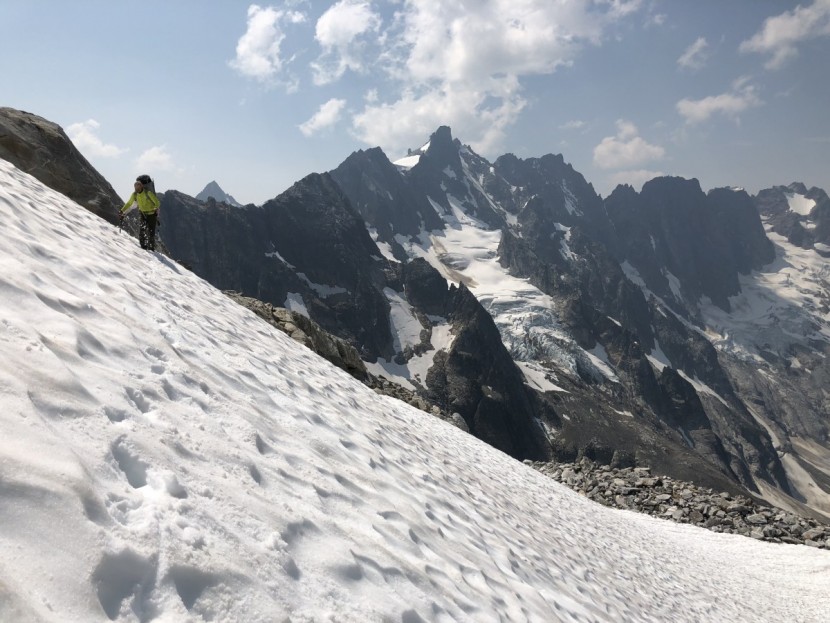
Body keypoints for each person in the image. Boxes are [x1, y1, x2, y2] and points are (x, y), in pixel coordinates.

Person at [120, 177, 160, 251]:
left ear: (141, 186)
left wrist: (155, 207)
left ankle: (151, 248)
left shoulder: (148, 193)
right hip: (143, 214)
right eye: (135, 187)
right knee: (142, 230)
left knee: (151, 232)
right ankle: (143, 248)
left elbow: (157, 202)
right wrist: (122, 210)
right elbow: (129, 203)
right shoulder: (135, 194)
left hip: (151, 214)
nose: (136, 188)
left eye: (137, 187)